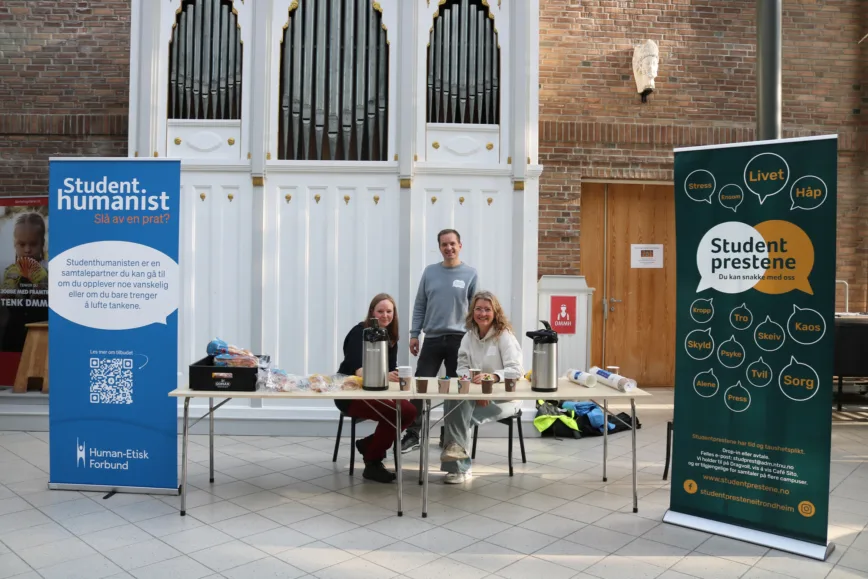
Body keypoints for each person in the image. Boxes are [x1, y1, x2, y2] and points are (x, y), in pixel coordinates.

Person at [402, 229, 478, 453]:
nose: (449, 248)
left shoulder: (470, 274)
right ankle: (414, 433)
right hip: (432, 338)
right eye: (444, 244)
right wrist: (414, 334)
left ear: (460, 245)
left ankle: (451, 434)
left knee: (456, 389)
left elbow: (476, 310)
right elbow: (420, 305)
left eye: (452, 244)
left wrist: (475, 340)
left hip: (459, 339)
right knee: (420, 386)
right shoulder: (430, 272)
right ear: (440, 247)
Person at [440, 291, 523, 483]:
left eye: (487, 309)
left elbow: (516, 369)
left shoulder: (504, 336)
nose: (482, 313)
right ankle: (459, 466)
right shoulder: (468, 337)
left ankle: (459, 468)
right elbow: (461, 365)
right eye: (478, 309)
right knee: (455, 403)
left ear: (495, 312)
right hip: (475, 396)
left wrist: (492, 379)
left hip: (505, 399)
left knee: (458, 414)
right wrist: (473, 386)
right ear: (472, 312)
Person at [334, 293, 417, 483]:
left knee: (409, 411)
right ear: (372, 312)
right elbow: (359, 371)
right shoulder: (359, 332)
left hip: (378, 391)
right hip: (351, 395)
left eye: (389, 311)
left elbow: (389, 369)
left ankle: (370, 444)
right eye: (380, 311)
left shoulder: (391, 336)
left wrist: (395, 375)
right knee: (401, 412)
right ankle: (372, 462)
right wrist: (385, 375)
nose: (385, 315)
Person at [1, 212, 48, 353]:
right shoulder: (10, 272)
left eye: (33, 244)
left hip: (40, 333)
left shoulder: (49, 270)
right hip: (13, 335)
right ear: (15, 245)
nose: (27, 250)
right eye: (22, 244)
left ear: (42, 244)